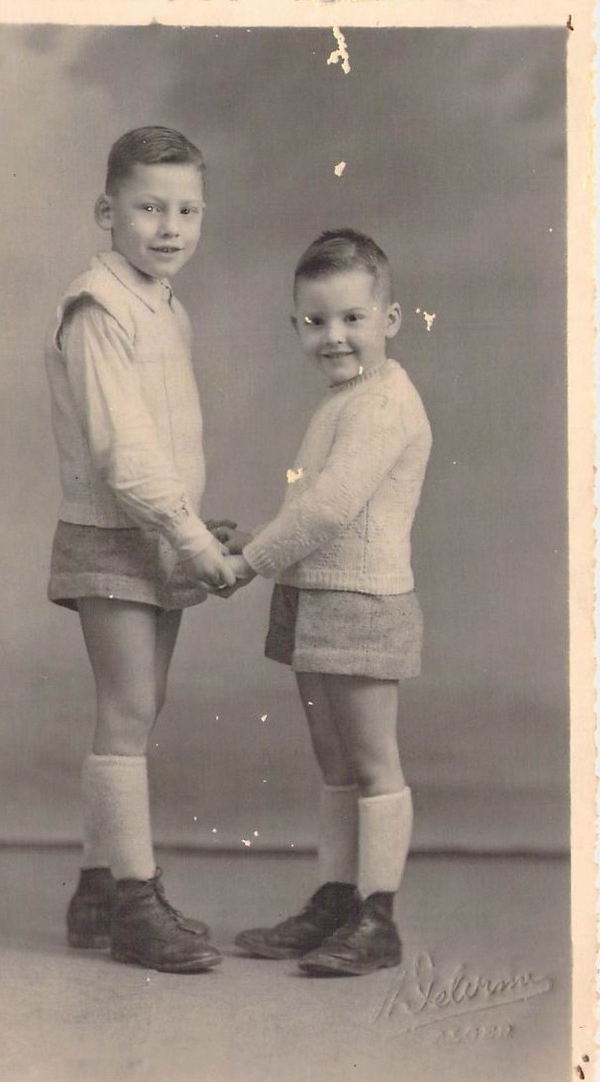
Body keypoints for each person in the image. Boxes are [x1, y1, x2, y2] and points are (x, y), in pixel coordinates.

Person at [44, 126, 236, 974]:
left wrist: (193, 522)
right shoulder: (97, 306)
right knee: (126, 714)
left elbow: (162, 446)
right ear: (106, 211)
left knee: (138, 709)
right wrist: (187, 535)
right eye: (150, 207)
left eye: (187, 209)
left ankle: (96, 886)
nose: (170, 227)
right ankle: (133, 904)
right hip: (114, 536)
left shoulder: (165, 303)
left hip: (156, 531)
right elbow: (123, 453)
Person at [221, 229, 432, 976]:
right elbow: (312, 513)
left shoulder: (385, 404)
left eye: (353, 319)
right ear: (296, 325)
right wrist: (255, 541)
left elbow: (331, 509)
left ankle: (379, 919)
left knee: (372, 761)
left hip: (363, 602)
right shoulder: (345, 400)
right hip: (312, 594)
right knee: (335, 762)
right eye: (316, 321)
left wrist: (247, 561)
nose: (335, 337)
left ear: (391, 320)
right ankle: (337, 900)